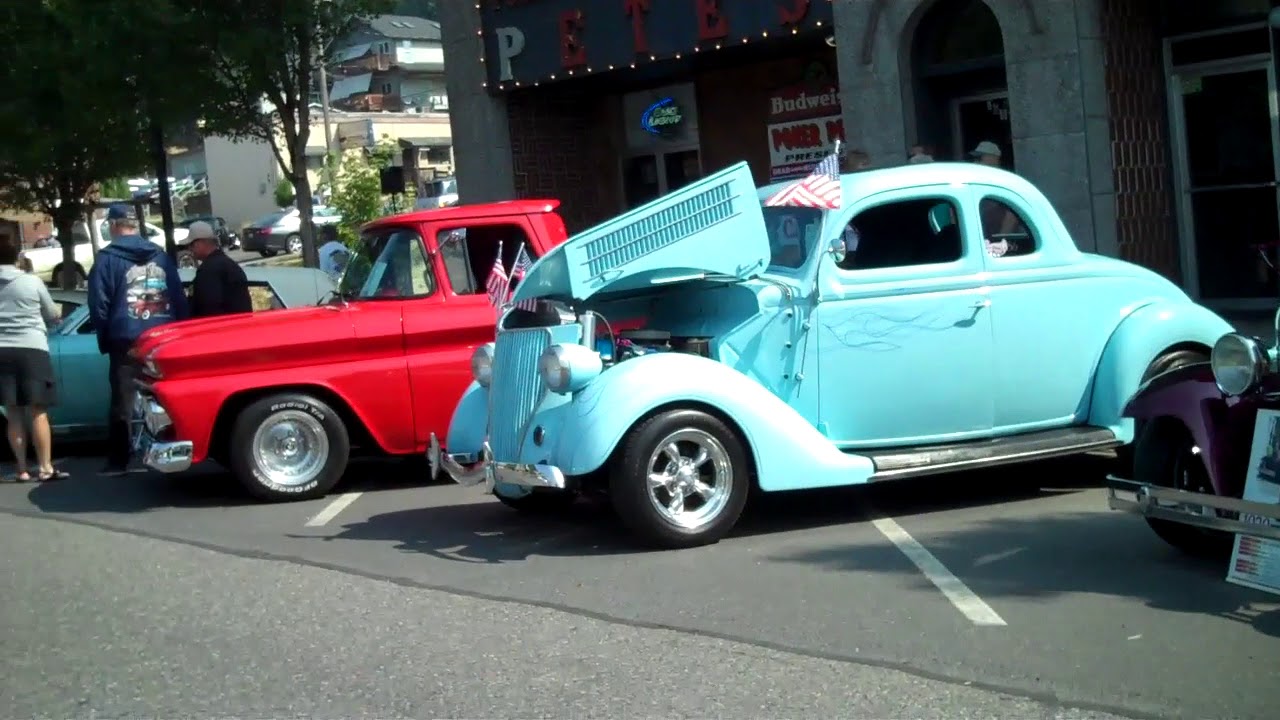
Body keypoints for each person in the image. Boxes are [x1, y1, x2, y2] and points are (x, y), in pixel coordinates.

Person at [87, 204, 189, 476]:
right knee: (167, 395)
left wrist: (105, 337)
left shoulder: (106, 259)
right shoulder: (161, 256)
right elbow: (177, 296)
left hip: (126, 338)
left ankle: (119, 461)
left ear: (114, 225)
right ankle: (177, 447)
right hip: (164, 337)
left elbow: (99, 304)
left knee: (122, 400)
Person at [0, 237, 66, 482]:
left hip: (1, 351)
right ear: (17, 256)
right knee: (38, 410)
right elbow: (51, 314)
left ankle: (21, 468)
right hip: (32, 348)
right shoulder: (31, 282)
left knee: (13, 412)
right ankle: (46, 466)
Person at [188, 221, 252, 318]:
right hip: (239, 327)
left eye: (191, 245)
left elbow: (209, 309)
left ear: (200, 243)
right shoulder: (229, 264)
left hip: (220, 330)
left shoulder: (208, 271)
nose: (190, 249)